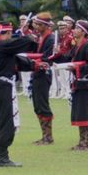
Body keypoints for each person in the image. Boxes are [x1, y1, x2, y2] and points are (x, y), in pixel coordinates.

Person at [0, 22, 36, 166]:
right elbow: (28, 42)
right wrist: (24, 33)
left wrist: (35, 65)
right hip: (3, 85)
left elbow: (15, 61)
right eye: (9, 33)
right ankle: (2, 158)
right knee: (6, 120)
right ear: (6, 33)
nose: (11, 36)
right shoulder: (3, 46)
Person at [69, 21, 88, 151]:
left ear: (83, 32)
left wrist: (77, 67)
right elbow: (67, 58)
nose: (74, 30)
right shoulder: (76, 46)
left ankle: (86, 142)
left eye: (76, 28)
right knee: (79, 113)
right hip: (77, 83)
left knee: (86, 112)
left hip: (85, 84)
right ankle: (81, 142)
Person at [29, 13, 56, 145]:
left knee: (42, 104)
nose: (37, 27)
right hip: (37, 73)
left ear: (46, 25)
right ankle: (44, 135)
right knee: (37, 105)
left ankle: (48, 136)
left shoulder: (50, 38)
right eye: (36, 24)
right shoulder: (40, 38)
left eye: (39, 25)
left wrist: (30, 60)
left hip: (43, 74)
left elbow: (47, 58)